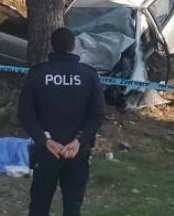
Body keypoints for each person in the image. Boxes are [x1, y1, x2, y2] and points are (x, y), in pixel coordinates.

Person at [18, 27, 106, 216]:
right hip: (77, 152)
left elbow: (26, 113)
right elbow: (97, 114)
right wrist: (79, 141)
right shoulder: (89, 75)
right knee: (73, 205)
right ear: (73, 46)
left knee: (39, 203)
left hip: (47, 150)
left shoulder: (38, 74)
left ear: (52, 46)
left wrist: (45, 140)